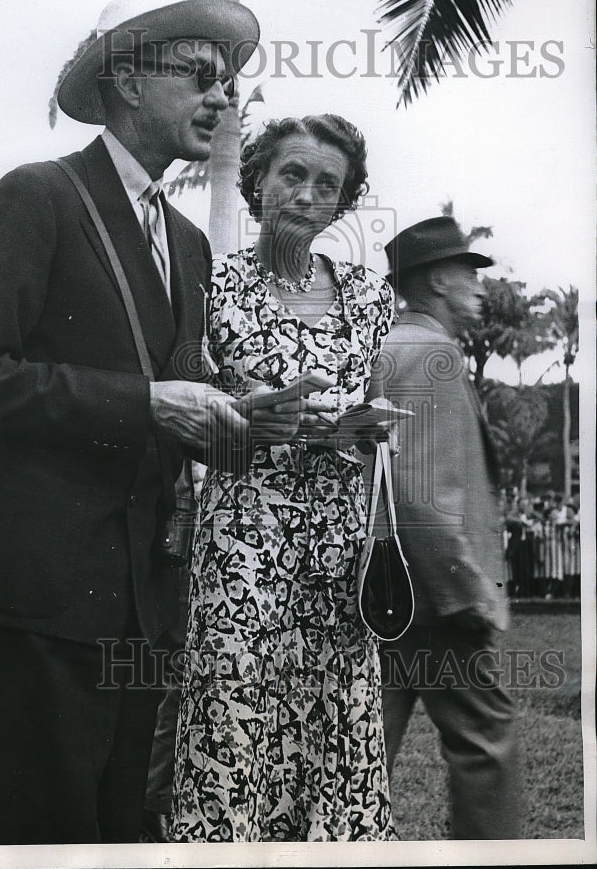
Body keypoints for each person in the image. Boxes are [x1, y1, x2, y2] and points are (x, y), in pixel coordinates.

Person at [0, 0, 302, 845]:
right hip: (44, 590)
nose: (223, 96)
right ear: (128, 81)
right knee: (45, 833)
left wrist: (255, 413)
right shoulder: (40, 194)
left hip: (143, 594)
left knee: (116, 830)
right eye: (199, 73)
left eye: (230, 81)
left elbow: (179, 386)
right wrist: (146, 404)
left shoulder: (189, 240)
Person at [170, 114, 397, 842]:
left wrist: (371, 425)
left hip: (338, 548)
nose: (306, 194)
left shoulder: (368, 296)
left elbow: (367, 410)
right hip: (244, 544)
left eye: (327, 184)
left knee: (336, 724)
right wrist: (240, 423)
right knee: (233, 726)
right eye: (292, 175)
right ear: (257, 182)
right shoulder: (211, 285)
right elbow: (180, 421)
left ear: (344, 202)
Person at [366, 215, 521, 839]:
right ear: (434, 282)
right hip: (435, 600)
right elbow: (422, 495)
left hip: (390, 593)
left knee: (365, 744)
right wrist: (468, 591)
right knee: (487, 742)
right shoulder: (432, 353)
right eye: (467, 271)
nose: (481, 285)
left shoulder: (392, 345)